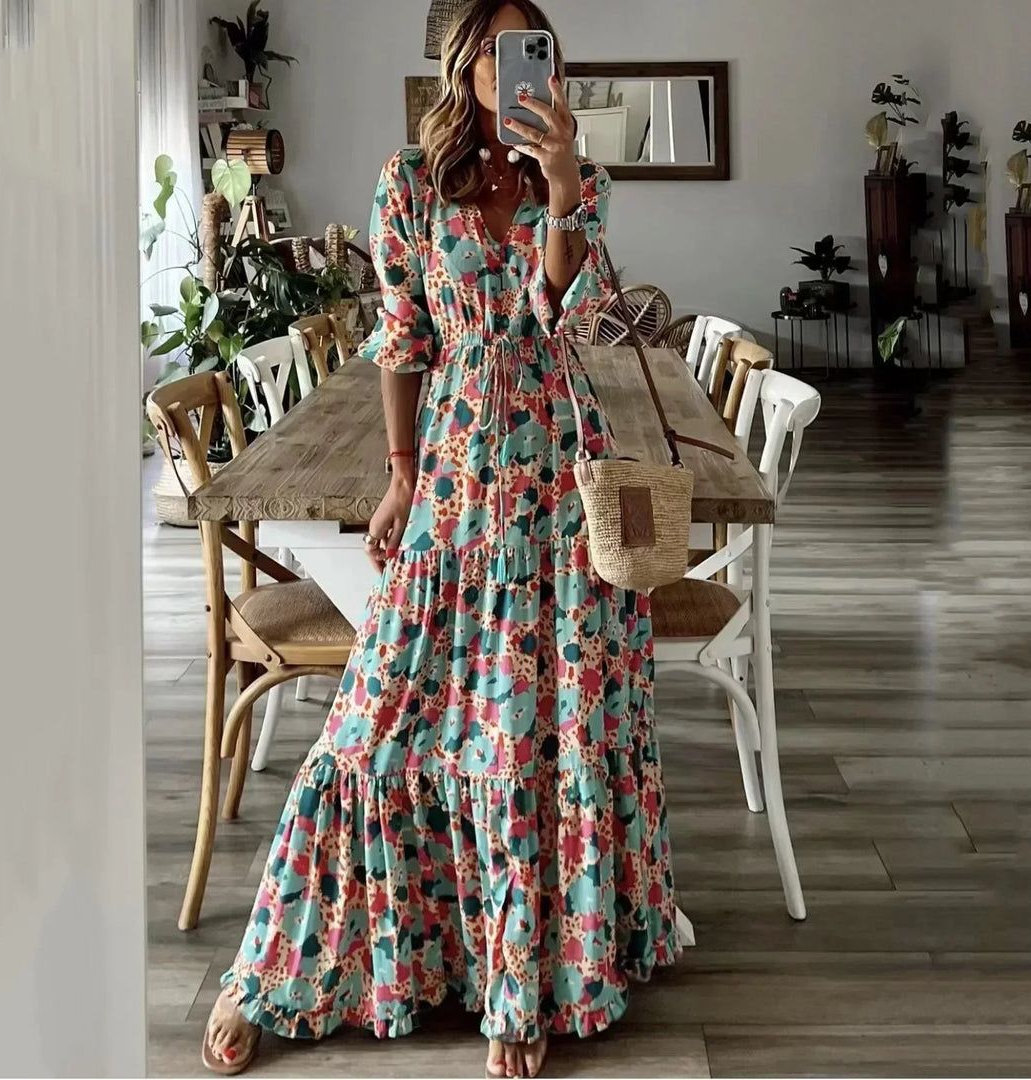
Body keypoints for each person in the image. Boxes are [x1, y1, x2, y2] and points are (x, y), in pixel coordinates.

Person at [203, 1, 678, 1075]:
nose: (512, 71)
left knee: (538, 736)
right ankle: (270, 967)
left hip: (561, 483)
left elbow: (573, 320)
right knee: (372, 722)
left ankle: (525, 985)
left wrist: (565, 185)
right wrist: (400, 474)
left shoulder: (577, 179)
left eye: (530, 52)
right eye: (495, 54)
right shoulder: (409, 185)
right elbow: (403, 338)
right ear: (466, 67)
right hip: (457, 484)